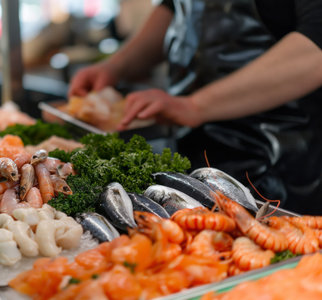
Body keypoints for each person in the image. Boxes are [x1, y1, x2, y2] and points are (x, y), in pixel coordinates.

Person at [68, 0, 322, 214]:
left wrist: (195, 105)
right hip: (194, 148)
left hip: (283, 160)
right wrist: (117, 66)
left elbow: (316, 45)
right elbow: (175, 8)